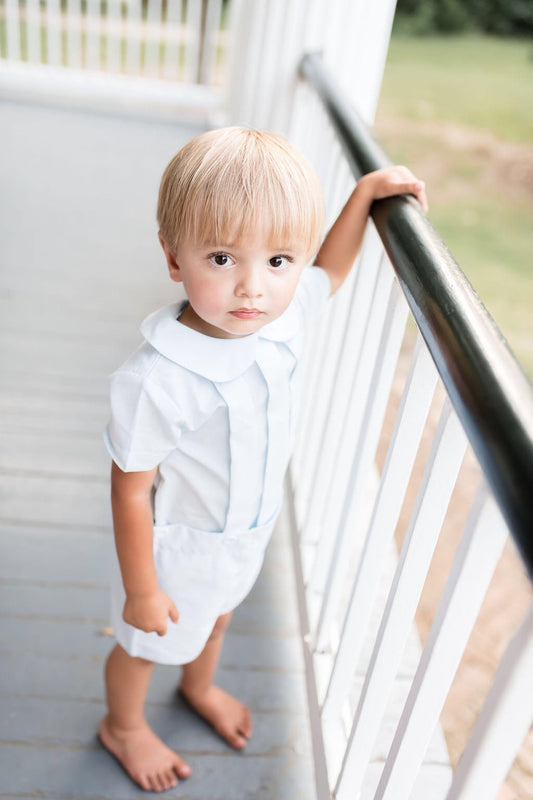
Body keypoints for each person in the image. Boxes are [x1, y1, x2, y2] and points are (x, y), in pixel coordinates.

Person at [98, 126, 427, 793]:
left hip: (246, 532)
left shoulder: (281, 313)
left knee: (219, 617)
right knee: (143, 647)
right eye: (221, 258)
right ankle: (124, 725)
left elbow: (326, 273)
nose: (252, 287)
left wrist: (362, 196)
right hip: (174, 549)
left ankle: (199, 685)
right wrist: (141, 590)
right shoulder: (157, 379)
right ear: (172, 256)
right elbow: (130, 491)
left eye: (277, 260)